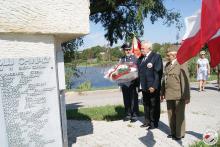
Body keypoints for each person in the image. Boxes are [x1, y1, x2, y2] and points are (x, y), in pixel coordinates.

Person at [160, 45, 190, 140]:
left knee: (179, 115)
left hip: (179, 95)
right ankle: (173, 132)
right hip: (169, 94)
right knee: (171, 115)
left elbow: (185, 81)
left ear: (174, 55)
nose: (167, 56)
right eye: (167, 55)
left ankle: (179, 134)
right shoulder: (167, 65)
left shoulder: (182, 64)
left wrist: (186, 96)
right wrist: (162, 93)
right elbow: (165, 80)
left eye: (169, 55)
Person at [137, 41, 163, 129]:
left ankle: (154, 122)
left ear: (149, 48)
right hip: (144, 86)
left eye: (143, 48)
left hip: (152, 86)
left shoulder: (156, 57)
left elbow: (158, 73)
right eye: (141, 48)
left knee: (154, 105)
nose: (141, 50)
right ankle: (147, 121)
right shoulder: (141, 58)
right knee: (146, 104)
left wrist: (154, 86)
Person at [119, 42, 139, 122]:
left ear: (131, 50)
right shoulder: (122, 59)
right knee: (126, 99)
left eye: (129, 49)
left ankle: (134, 115)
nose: (127, 51)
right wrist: (120, 84)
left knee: (133, 99)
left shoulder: (135, 59)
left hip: (133, 83)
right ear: (124, 50)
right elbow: (119, 72)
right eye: (126, 50)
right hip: (124, 83)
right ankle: (128, 114)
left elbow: (138, 71)